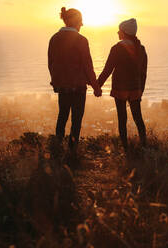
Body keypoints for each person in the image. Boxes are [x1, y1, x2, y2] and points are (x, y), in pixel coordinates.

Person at [48, 7, 102, 155]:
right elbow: (87, 66)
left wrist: (55, 82)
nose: (80, 26)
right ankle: (72, 152)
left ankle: (57, 150)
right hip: (78, 87)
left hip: (63, 87)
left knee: (62, 116)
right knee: (76, 120)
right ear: (75, 22)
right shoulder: (81, 40)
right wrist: (96, 87)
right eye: (80, 23)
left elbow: (51, 63)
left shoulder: (54, 38)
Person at [97, 18, 148, 149]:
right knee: (138, 118)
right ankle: (144, 145)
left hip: (120, 89)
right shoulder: (141, 49)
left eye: (119, 31)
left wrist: (97, 86)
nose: (117, 33)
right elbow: (143, 73)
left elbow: (107, 70)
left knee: (122, 119)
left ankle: (125, 148)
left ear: (124, 32)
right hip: (135, 89)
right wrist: (140, 90)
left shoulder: (117, 48)